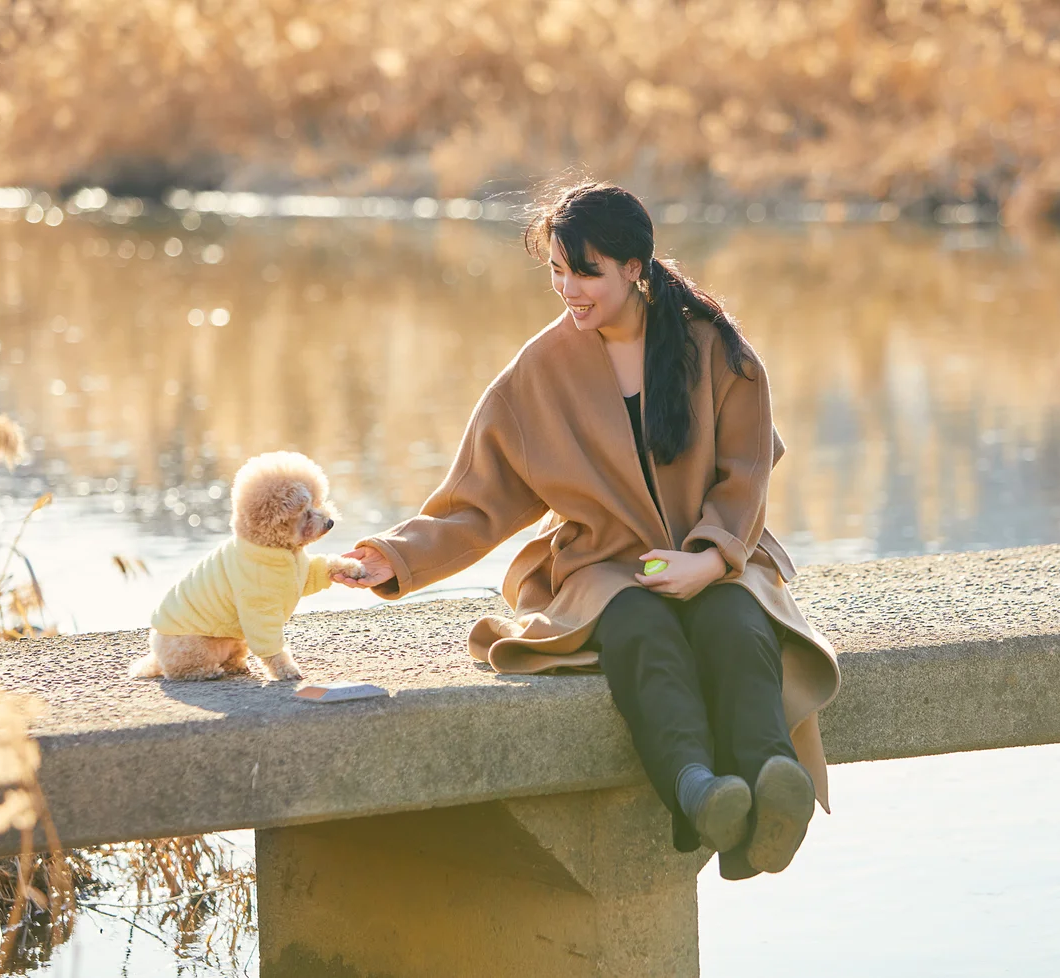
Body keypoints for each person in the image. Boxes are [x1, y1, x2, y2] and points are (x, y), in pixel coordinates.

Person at [334, 181, 840, 879]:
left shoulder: (716, 348)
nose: (568, 288)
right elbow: (478, 501)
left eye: (585, 271)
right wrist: (395, 558)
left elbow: (746, 473)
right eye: (556, 270)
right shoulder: (538, 372)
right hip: (605, 568)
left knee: (737, 625)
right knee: (642, 634)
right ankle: (702, 792)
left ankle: (773, 786)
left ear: (635, 267)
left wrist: (713, 559)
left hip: (720, 554)